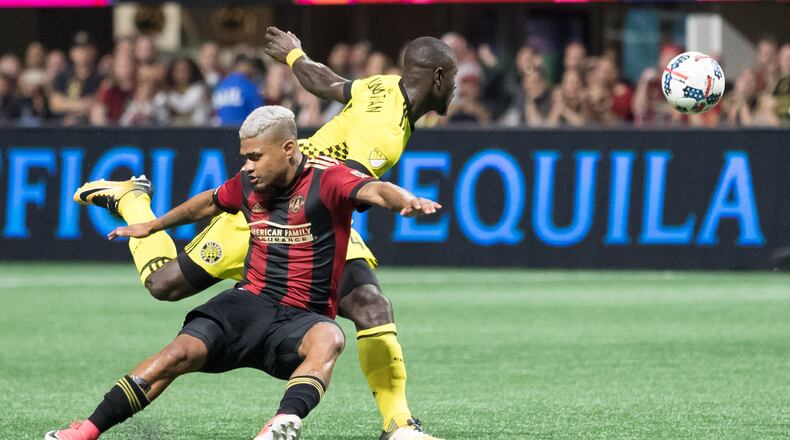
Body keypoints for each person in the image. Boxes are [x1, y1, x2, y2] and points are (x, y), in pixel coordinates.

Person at [73, 28, 456, 440]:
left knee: (370, 304)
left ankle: (398, 425)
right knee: (163, 284)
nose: (456, 86)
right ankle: (132, 200)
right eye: (453, 78)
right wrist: (398, 199)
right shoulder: (383, 134)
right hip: (277, 211)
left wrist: (295, 56)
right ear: (437, 79)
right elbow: (348, 188)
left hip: (312, 211)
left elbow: (327, 83)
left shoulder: (382, 87)